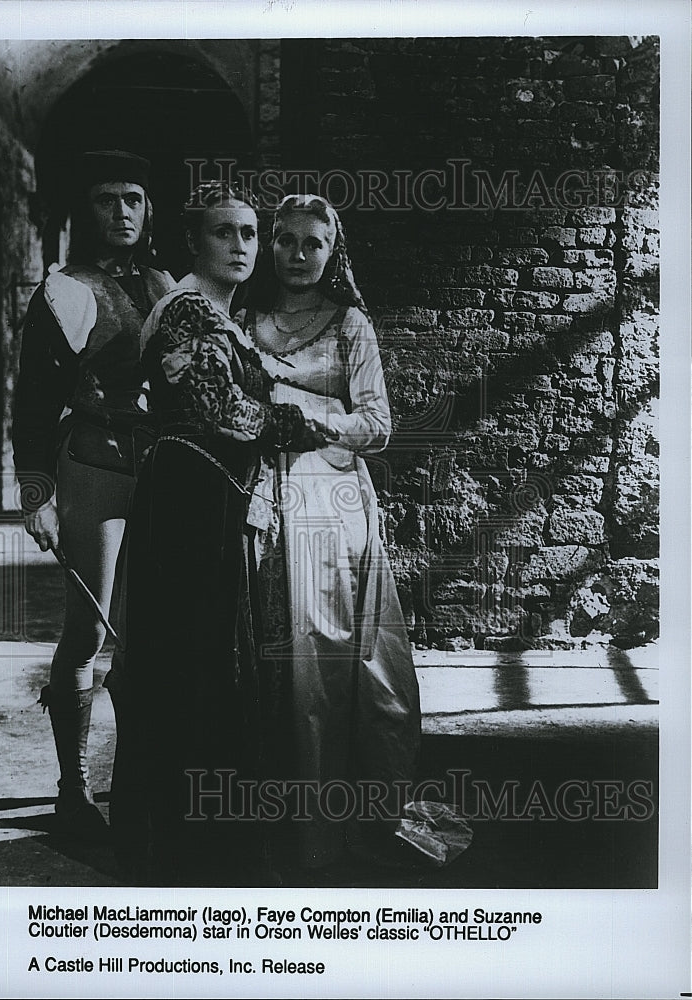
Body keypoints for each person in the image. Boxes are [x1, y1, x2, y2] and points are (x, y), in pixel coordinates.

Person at [107, 182, 329, 883]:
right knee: (188, 661)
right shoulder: (188, 309)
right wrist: (300, 423)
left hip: (211, 495)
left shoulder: (219, 316)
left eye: (249, 234)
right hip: (186, 499)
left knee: (209, 658)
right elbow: (220, 411)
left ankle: (199, 831)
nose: (240, 245)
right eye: (223, 232)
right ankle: (177, 843)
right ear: (193, 243)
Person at [240, 194, 422, 870]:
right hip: (256, 498)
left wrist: (314, 419)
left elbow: (377, 425)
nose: (297, 255)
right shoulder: (242, 318)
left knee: (324, 657)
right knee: (264, 650)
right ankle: (265, 820)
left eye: (312, 243)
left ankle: (329, 823)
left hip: (330, 502)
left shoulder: (349, 324)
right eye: (285, 240)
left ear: (331, 251)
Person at [12, 149, 175, 837]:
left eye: (133, 198)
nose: (122, 211)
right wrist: (37, 495)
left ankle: (139, 787)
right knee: (88, 632)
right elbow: (32, 402)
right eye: (107, 198)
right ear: (87, 209)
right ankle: (73, 791)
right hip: (93, 462)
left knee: (153, 637)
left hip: (166, 470)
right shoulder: (61, 291)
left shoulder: (171, 287)